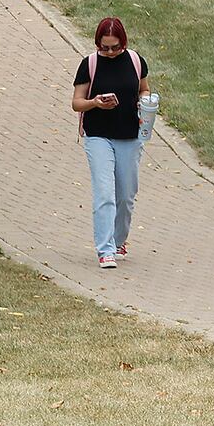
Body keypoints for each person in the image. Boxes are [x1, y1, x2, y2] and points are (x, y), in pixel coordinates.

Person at [72, 17, 151, 269]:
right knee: (105, 193)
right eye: (103, 47)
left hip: (129, 135)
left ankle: (119, 241)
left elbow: (144, 89)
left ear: (123, 43)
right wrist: (95, 102)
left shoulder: (136, 62)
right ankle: (105, 249)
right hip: (98, 136)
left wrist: (145, 103)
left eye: (114, 47)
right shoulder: (90, 64)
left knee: (126, 195)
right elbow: (77, 102)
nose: (109, 52)